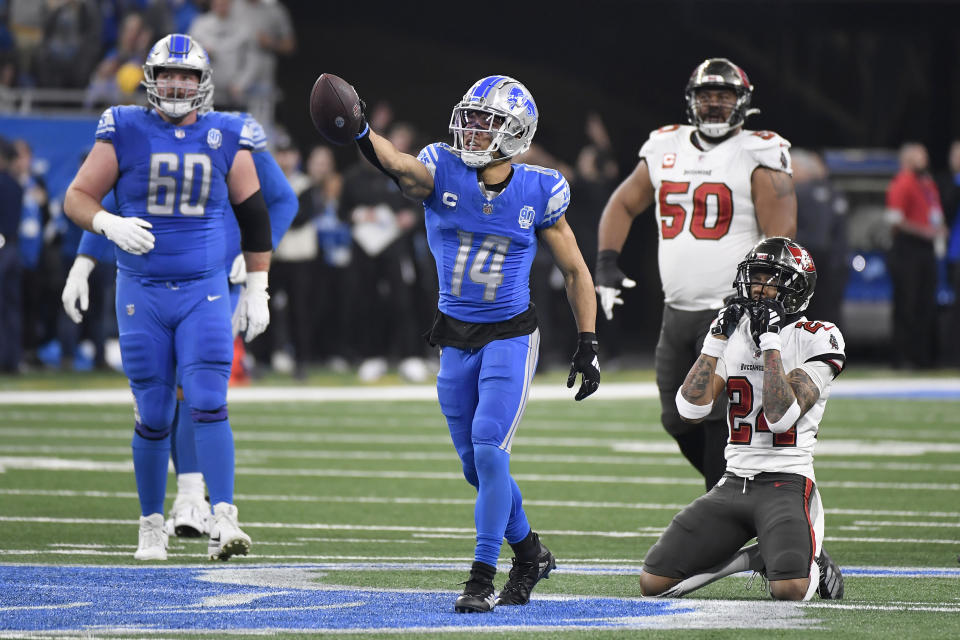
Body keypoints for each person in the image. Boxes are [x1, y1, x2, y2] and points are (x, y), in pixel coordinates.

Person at [347, 75, 600, 612]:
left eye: (489, 121)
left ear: (517, 133)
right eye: (472, 116)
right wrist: (363, 132)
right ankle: (530, 550)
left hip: (510, 334)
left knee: (489, 450)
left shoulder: (539, 189)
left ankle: (481, 578)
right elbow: (398, 163)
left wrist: (587, 341)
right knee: (475, 467)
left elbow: (576, 271)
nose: (474, 128)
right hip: (454, 337)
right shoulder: (442, 170)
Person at [62, 33, 273, 562]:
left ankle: (224, 518)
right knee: (154, 410)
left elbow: (255, 216)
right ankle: (151, 524)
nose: (177, 83)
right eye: (168, 75)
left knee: (207, 399)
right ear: (151, 80)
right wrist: (107, 225)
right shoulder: (125, 128)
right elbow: (78, 197)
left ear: (204, 83)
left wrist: (257, 286)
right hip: (142, 290)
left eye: (188, 76)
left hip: (203, 289)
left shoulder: (227, 132)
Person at [595, 58, 797, 491]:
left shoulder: (759, 150)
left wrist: (765, 302)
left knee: (716, 419)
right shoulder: (665, 145)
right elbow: (623, 204)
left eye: (724, 97)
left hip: (731, 312)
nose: (715, 105)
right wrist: (607, 261)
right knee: (677, 418)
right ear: (692, 101)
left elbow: (781, 237)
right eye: (707, 97)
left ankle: (719, 516)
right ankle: (736, 492)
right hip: (676, 312)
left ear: (742, 103)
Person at [639, 236, 844, 601]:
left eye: (771, 279)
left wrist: (770, 343)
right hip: (732, 482)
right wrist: (715, 340)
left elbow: (781, 417)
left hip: (786, 481)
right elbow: (690, 409)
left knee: (790, 589)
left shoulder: (819, 337)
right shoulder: (735, 335)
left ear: (796, 290)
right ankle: (752, 558)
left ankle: (811, 563)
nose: (759, 288)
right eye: (755, 277)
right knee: (654, 582)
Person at [885, 142, 947, 370]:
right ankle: (901, 358)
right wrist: (924, 231)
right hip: (907, 249)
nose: (926, 160)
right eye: (921, 156)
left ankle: (922, 357)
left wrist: (938, 231)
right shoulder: (902, 182)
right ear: (909, 159)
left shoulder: (927, 183)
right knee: (906, 304)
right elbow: (894, 220)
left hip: (926, 250)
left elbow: (934, 213)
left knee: (924, 303)